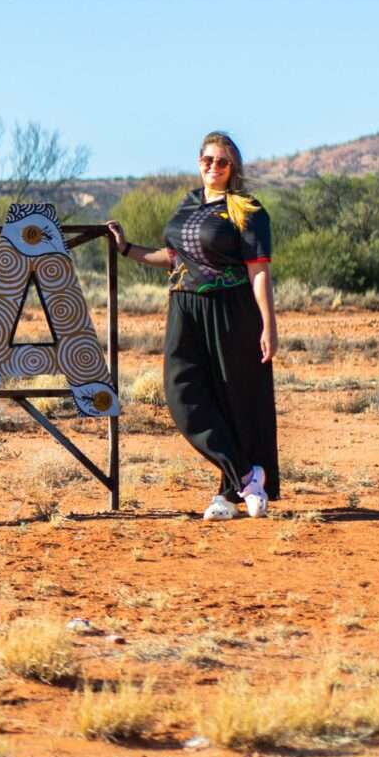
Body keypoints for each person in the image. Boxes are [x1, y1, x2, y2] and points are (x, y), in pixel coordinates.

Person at [107, 131, 279, 521]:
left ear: (233, 168)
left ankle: (230, 492)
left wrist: (269, 324)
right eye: (207, 160)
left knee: (232, 400)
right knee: (181, 394)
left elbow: (259, 271)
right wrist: (126, 248)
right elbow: (172, 257)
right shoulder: (188, 203)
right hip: (184, 306)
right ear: (198, 161)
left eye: (222, 162)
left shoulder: (247, 209)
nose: (213, 168)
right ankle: (247, 475)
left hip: (230, 309)